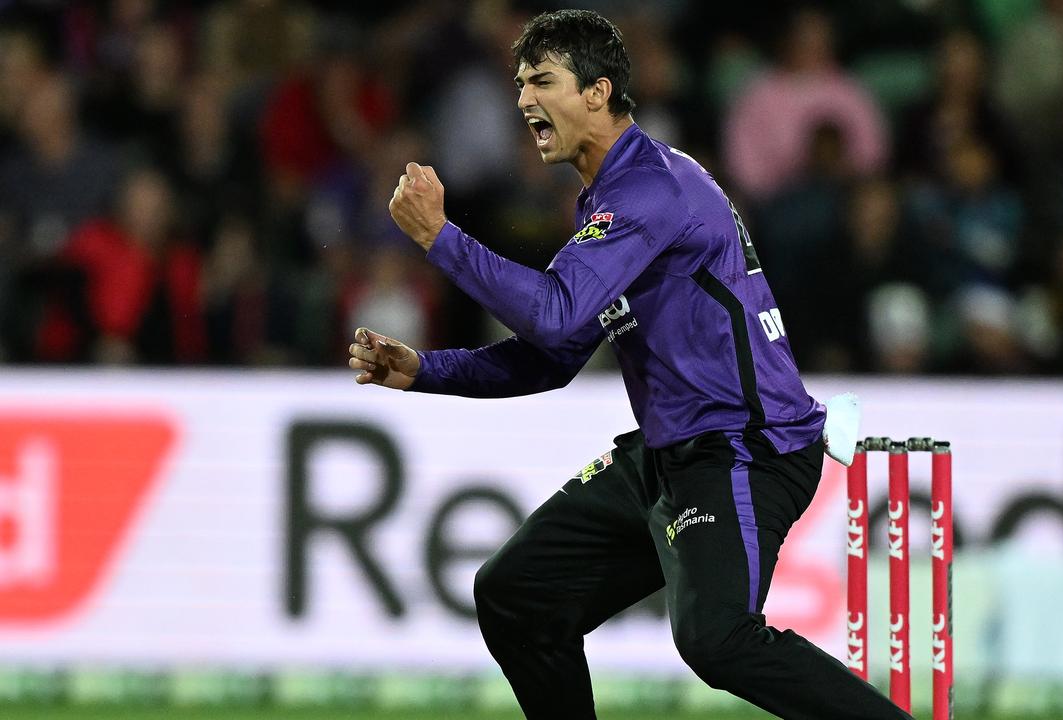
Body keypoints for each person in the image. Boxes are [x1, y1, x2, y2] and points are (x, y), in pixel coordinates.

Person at [347, 10, 911, 720]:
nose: (523, 99)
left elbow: (553, 313)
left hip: (746, 446)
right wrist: (427, 369)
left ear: (597, 91)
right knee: (516, 595)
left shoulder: (651, 191)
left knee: (717, 638)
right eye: (520, 82)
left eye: (542, 80)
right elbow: (555, 356)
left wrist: (441, 238)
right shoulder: (612, 201)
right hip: (673, 452)